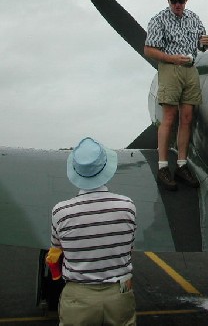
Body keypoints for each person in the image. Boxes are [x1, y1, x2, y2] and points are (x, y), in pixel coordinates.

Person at [50, 137, 137, 325]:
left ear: (75, 171)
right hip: (120, 291)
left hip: (79, 295)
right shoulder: (127, 206)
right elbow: (129, 247)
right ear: (106, 169)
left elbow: (56, 249)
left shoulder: (60, 212)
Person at [144, 0, 208, 190]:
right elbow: (148, 49)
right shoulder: (158, 20)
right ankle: (163, 167)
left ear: (186, 0)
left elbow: (201, 45)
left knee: (187, 118)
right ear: (168, 1)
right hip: (170, 69)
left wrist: (205, 43)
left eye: (181, 1)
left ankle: (182, 164)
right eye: (174, 1)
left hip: (190, 69)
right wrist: (170, 58)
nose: (177, 4)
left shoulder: (194, 18)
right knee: (169, 118)